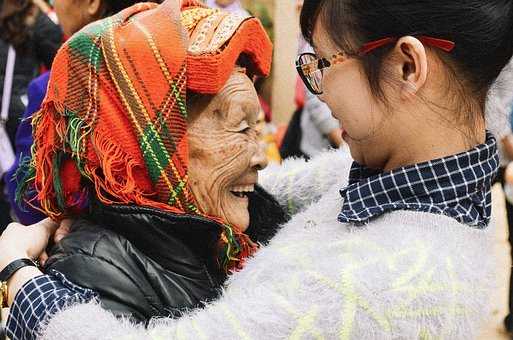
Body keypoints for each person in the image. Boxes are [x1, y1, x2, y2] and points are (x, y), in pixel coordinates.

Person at [2, 0, 513, 338]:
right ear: (152, 144)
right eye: (236, 127)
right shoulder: (427, 177)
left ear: (407, 66)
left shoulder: (376, 282)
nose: (318, 89)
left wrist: (19, 277)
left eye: (325, 62)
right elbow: (304, 187)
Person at [4, 0, 164, 226]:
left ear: (92, 3)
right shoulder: (172, 70)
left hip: (83, 246)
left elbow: (28, 197)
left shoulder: (55, 89)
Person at [0, 0, 62, 231]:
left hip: (16, 122)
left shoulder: (37, 21)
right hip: (15, 117)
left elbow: (59, 72)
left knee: (14, 186)